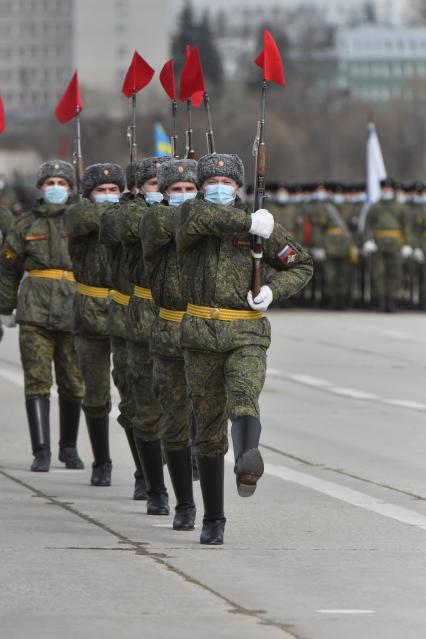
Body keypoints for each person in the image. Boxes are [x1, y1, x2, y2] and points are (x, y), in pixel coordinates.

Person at [175, 153, 314, 545]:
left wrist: (272, 290)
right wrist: (249, 222)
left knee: (243, 395)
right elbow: (202, 219)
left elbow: (301, 264)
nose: (221, 187)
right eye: (213, 181)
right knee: (207, 428)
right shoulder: (190, 216)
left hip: (246, 332)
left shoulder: (262, 226)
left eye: (228, 181)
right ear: (202, 186)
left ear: (239, 187)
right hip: (201, 332)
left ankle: (247, 460)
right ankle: (213, 518)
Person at [0, 160, 84, 471]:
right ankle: (42, 451)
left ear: (71, 189)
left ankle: (69, 447)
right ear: (40, 188)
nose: (56, 188)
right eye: (50, 183)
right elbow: (8, 269)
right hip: (34, 312)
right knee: (36, 381)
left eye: (62, 183)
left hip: (73, 311)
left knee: (74, 383)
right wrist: (5, 307)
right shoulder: (25, 225)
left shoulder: (80, 222)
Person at [140, 158, 198, 531]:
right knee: (168, 417)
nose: (183, 196)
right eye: (174, 190)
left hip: (211, 332)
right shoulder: (154, 220)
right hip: (166, 330)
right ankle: (181, 503)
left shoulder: (215, 217)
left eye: (190, 189)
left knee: (211, 415)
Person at [66, 163, 125, 486]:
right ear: (88, 194)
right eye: (100, 191)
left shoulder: (130, 214)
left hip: (124, 311)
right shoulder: (79, 215)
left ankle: (145, 470)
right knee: (96, 392)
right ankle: (102, 461)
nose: (107, 196)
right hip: (90, 313)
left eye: (113, 190)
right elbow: (82, 219)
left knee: (133, 391)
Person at [117, 157, 169, 515]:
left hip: (181, 320)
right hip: (138, 321)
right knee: (141, 407)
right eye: (154, 183)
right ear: (137, 189)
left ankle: (188, 462)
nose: (161, 191)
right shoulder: (127, 215)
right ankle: (152, 484)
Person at [98, 168, 147, 500]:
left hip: (176, 322)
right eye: (155, 184)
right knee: (134, 403)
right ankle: (144, 472)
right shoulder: (120, 215)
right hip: (129, 321)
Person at [363, 177, 413, 312]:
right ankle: (381, 300)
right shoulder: (375, 206)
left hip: (395, 243)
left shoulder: (401, 207)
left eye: (389, 188)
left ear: (393, 190)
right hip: (378, 242)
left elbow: (406, 227)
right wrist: (368, 240)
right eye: (384, 188)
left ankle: (391, 300)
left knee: (394, 272)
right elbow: (368, 225)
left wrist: (408, 244)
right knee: (379, 272)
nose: (386, 190)